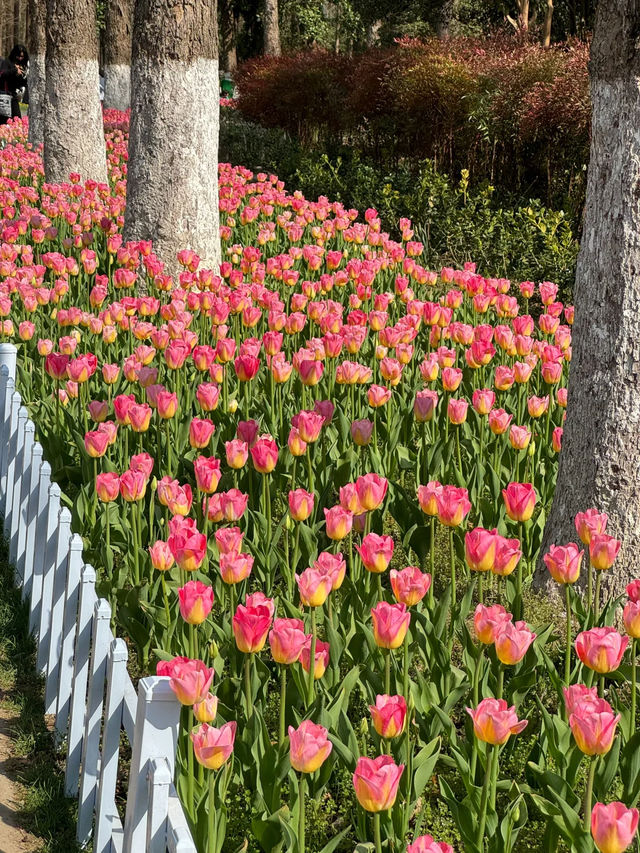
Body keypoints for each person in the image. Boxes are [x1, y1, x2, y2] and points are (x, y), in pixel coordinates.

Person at [0, 44, 29, 125]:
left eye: (22, 57)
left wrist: (22, 78)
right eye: (18, 56)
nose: (20, 58)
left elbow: (19, 83)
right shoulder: (7, 62)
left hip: (13, 96)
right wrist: (14, 70)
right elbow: (3, 75)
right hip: (5, 95)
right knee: (4, 121)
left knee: (18, 121)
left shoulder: (22, 65)